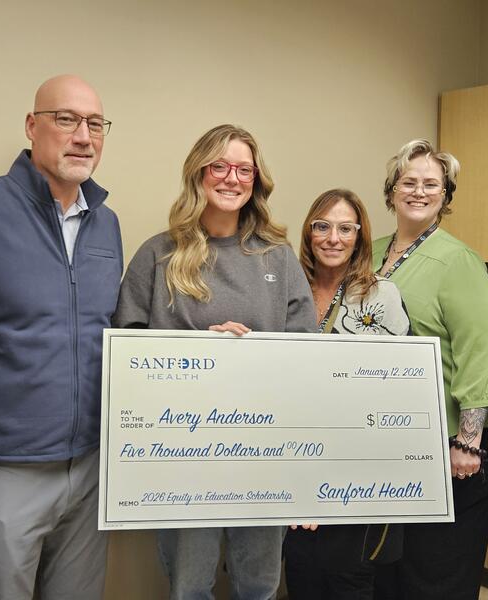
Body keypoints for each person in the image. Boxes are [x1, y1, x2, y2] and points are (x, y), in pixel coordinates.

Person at [0, 75, 122, 600]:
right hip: (2, 471)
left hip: (88, 470)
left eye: (95, 124)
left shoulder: (106, 224)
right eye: (66, 119)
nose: (83, 136)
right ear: (32, 126)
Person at [114, 124, 315, 600]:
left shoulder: (278, 257)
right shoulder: (158, 254)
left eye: (243, 169)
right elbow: (128, 354)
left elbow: (308, 356)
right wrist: (201, 351)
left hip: (265, 453)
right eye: (219, 166)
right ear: (199, 175)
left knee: (260, 586)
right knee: (189, 588)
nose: (231, 178)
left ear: (256, 180)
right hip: (184, 456)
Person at [372, 139, 488, 600]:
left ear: (446, 197)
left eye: (432, 184)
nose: (419, 191)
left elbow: (482, 350)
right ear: (391, 191)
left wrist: (468, 441)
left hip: (451, 441)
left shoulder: (458, 261)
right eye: (409, 181)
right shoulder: (368, 253)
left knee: (437, 568)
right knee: (390, 564)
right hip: (387, 434)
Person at [284, 188, 409, 600]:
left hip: (355, 463)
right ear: (308, 232)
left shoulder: (379, 295)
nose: (332, 238)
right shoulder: (286, 288)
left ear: (360, 236)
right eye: (322, 226)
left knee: (346, 576)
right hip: (293, 458)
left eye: (345, 228)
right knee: (301, 573)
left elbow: (393, 389)